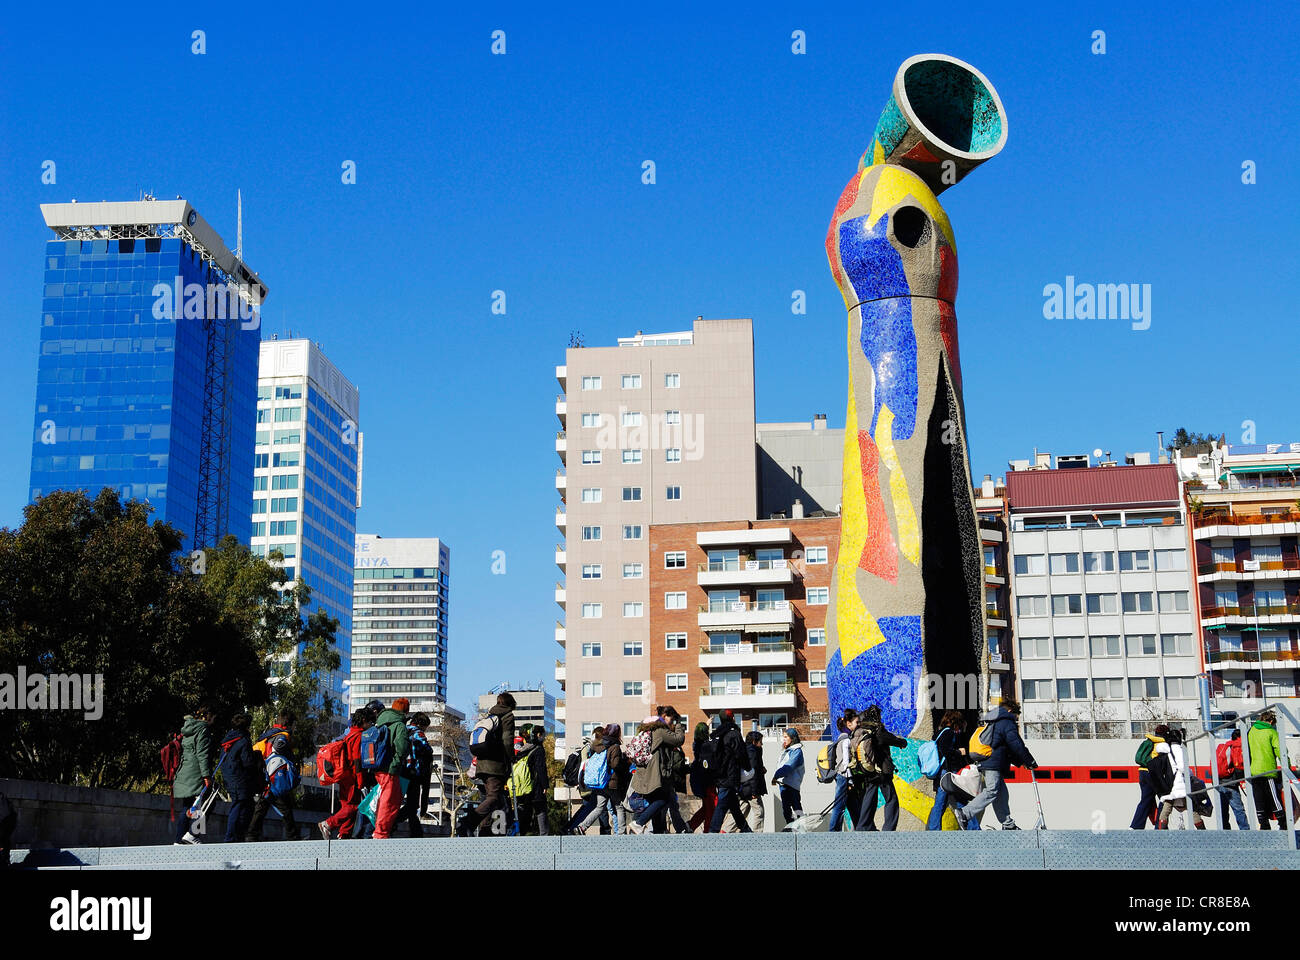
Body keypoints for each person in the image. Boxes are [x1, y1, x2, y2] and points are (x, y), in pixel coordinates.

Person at [957, 700, 1037, 830]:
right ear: (1011, 711)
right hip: (992, 764)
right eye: (1017, 715)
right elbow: (1016, 744)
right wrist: (1030, 761)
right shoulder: (1006, 721)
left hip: (991, 761)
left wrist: (1022, 762)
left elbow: (1005, 747)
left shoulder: (993, 720)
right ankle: (965, 813)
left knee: (1001, 794)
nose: (1016, 719)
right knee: (992, 790)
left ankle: (1008, 824)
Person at [460, 692, 515, 836]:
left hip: (482, 763)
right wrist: (510, 758)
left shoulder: (489, 716)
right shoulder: (507, 716)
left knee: (494, 799)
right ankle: (468, 822)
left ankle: (485, 831)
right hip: (495, 765)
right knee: (493, 797)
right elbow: (508, 740)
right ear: (510, 704)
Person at [628, 712, 687, 834]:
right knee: (664, 800)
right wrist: (679, 725)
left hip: (643, 775)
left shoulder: (644, 734)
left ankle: (658, 833)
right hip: (653, 775)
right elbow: (678, 739)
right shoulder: (659, 731)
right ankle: (639, 823)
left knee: (656, 806)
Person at [246, 711, 300, 841]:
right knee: (285, 808)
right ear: (289, 724)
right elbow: (278, 748)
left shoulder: (268, 735)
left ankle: (251, 834)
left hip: (266, 775)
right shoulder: (281, 736)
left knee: (262, 807)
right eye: (293, 725)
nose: (294, 728)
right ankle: (292, 836)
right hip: (275, 776)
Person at [851, 705, 907, 831]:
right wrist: (903, 742)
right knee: (891, 799)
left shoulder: (862, 731)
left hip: (868, 771)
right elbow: (895, 740)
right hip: (882, 772)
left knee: (869, 799)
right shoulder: (878, 731)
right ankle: (888, 829)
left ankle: (863, 826)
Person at [319, 709, 371, 840]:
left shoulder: (349, 734)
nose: (371, 724)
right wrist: (360, 781)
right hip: (352, 777)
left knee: (346, 807)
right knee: (353, 806)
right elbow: (357, 760)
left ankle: (344, 835)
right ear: (364, 721)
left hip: (343, 776)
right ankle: (328, 824)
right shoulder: (358, 736)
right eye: (370, 721)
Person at [172, 703, 216, 844]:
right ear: (208, 716)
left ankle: (179, 840)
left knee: (188, 805)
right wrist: (206, 776)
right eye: (213, 717)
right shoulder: (203, 729)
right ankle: (193, 835)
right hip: (197, 772)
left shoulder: (188, 728)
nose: (214, 720)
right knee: (206, 803)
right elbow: (202, 754)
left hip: (185, 771)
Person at [926, 711, 977, 831]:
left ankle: (934, 828)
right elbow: (946, 751)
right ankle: (973, 828)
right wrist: (959, 752)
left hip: (944, 771)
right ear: (956, 722)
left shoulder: (940, 732)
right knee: (954, 800)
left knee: (946, 801)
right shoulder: (948, 733)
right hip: (948, 771)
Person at [576, 723, 628, 833]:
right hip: (612, 782)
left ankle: (582, 827)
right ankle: (622, 833)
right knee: (619, 807)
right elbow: (615, 765)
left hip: (600, 782)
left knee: (599, 807)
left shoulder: (599, 745)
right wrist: (624, 763)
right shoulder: (615, 746)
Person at [219, 713, 262, 843]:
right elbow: (247, 762)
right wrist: (257, 758)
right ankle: (231, 838)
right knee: (238, 805)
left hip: (229, 776)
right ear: (246, 726)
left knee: (246, 804)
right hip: (239, 778)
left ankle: (239, 835)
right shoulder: (243, 740)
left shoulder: (228, 739)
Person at [707, 711, 752, 833]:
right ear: (732, 718)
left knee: (733, 805)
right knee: (722, 803)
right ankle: (713, 831)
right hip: (730, 773)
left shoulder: (716, 735)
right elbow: (741, 753)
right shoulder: (733, 734)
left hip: (718, 774)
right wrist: (748, 768)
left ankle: (745, 829)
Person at [1152, 730, 1205, 830]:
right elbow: (1182, 767)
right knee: (1192, 807)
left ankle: (1161, 831)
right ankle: (1202, 832)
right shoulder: (1178, 749)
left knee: (1167, 806)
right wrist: (1191, 774)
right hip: (1180, 783)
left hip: (1170, 783)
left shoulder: (1166, 750)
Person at [399, 712, 434, 837]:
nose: (425, 729)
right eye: (425, 727)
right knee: (413, 804)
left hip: (402, 771)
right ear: (420, 724)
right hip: (415, 772)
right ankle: (395, 821)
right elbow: (427, 749)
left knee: (408, 803)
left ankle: (416, 830)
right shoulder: (418, 733)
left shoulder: (404, 730)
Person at [514, 725, 552, 835]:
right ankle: (544, 836)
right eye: (543, 735)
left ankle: (521, 834)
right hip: (535, 786)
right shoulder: (538, 749)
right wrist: (545, 786)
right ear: (538, 735)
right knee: (541, 810)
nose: (544, 738)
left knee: (526, 811)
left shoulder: (522, 750)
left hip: (522, 786)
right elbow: (541, 769)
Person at [1248, 710, 1282, 830]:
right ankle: (1283, 824)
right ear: (1271, 721)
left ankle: (1264, 825)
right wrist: (1286, 763)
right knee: (1274, 799)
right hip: (1268, 770)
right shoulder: (1271, 732)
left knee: (1259, 799)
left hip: (1254, 770)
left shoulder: (1251, 731)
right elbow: (1279, 750)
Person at [1130, 724, 1169, 829]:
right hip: (1152, 773)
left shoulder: (1149, 741)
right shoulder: (1162, 744)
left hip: (1142, 772)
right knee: (1164, 799)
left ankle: (1136, 826)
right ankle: (1159, 826)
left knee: (1147, 799)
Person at [827, 711, 857, 832]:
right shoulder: (846, 740)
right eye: (856, 722)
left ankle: (860, 827)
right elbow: (845, 762)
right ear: (848, 724)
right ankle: (833, 830)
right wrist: (850, 780)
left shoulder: (840, 738)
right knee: (839, 806)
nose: (858, 724)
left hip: (840, 775)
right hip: (844, 776)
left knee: (851, 805)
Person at [1214, 728, 1250, 831]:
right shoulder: (1238, 745)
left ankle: (1225, 832)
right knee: (1238, 809)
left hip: (1219, 782)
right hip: (1230, 782)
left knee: (1223, 810)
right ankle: (1245, 831)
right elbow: (1239, 766)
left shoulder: (1224, 746)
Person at [686, 721, 717, 832]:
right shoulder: (707, 746)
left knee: (707, 807)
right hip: (707, 781)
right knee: (711, 807)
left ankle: (691, 825)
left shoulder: (697, 744)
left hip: (698, 780)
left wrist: (706, 725)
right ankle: (707, 829)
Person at [734, 730, 768, 832]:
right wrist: (754, 791)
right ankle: (757, 836)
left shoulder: (746, 751)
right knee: (759, 812)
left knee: (742, 812)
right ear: (754, 741)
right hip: (751, 788)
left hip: (744, 787)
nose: (761, 744)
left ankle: (728, 831)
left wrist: (761, 769)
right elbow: (752, 773)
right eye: (760, 742)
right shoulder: (752, 752)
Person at [771, 727, 805, 826]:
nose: (784, 739)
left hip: (792, 784)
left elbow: (789, 766)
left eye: (786, 737)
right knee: (786, 809)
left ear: (792, 738)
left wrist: (776, 775)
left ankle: (801, 827)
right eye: (783, 737)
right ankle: (790, 826)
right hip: (783, 783)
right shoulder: (787, 751)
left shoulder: (796, 751)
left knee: (796, 807)